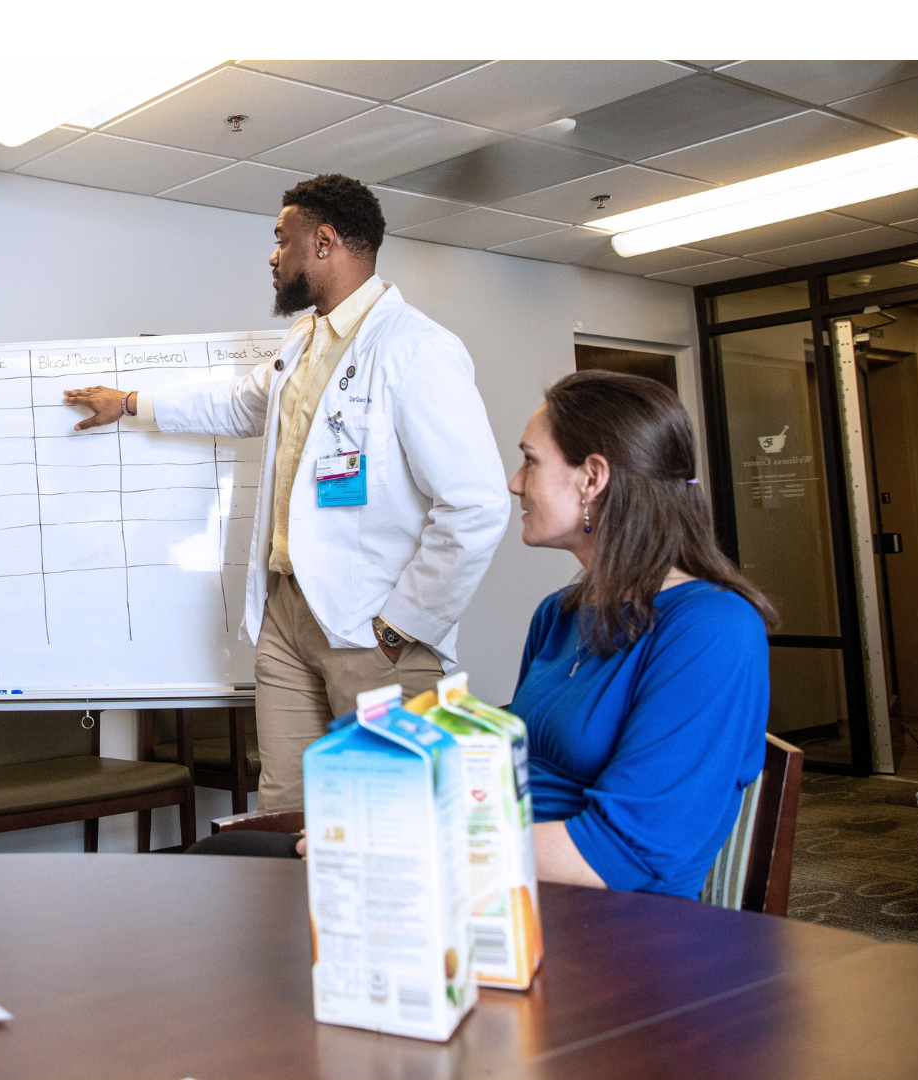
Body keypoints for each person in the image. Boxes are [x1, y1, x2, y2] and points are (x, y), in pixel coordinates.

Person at [63, 174, 509, 813]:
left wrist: (402, 624)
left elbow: (476, 505)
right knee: (285, 809)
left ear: (324, 242)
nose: (272, 256)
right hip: (288, 612)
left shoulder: (418, 348)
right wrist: (130, 402)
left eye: (282, 239)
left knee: (395, 815)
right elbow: (237, 402)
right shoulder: (301, 342)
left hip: (376, 630)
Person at [508, 371, 775, 898]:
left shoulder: (713, 630)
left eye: (530, 461)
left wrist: (423, 847)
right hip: (519, 899)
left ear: (592, 478)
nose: (514, 482)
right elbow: (512, 777)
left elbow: (628, 854)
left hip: (626, 937)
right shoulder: (557, 616)